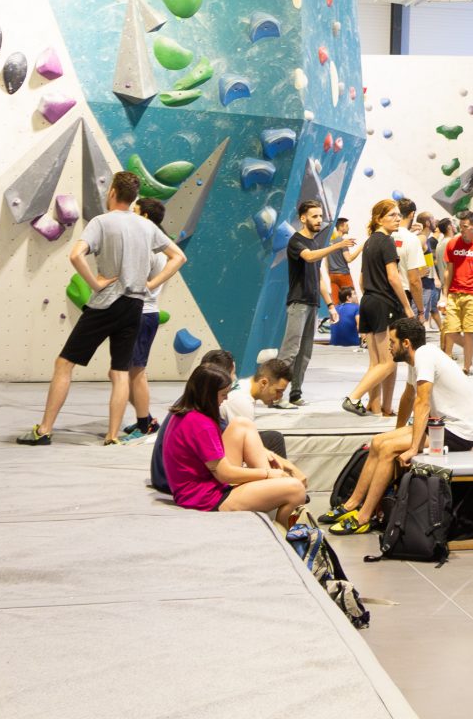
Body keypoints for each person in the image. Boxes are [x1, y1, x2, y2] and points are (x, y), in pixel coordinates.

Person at [17, 171, 184, 447]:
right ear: (134, 198)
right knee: (120, 372)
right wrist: (151, 284)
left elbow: (76, 255)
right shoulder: (147, 227)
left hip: (106, 303)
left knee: (64, 364)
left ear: (113, 193)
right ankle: (112, 435)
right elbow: (178, 257)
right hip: (134, 305)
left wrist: (95, 283)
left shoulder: (101, 222)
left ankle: (44, 430)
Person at [327, 317, 473, 535]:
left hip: (458, 433)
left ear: (406, 343)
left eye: (392, 342)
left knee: (388, 448)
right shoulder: (416, 359)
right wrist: (397, 431)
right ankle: (351, 504)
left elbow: (422, 402)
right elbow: (408, 397)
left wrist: (412, 448)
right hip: (438, 427)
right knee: (378, 441)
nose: (389, 347)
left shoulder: (425, 356)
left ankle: (364, 517)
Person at [158, 353, 308, 520]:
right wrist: (267, 473)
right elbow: (224, 475)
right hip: (205, 498)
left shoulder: (188, 413)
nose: (226, 398)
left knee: (242, 424)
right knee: (296, 489)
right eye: (223, 394)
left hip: (202, 486)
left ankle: (272, 490)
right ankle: (282, 526)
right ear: (208, 394)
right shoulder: (201, 424)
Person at [109, 197, 171, 442]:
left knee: (135, 373)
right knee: (119, 373)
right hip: (138, 313)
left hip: (142, 314)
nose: (129, 214)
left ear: (145, 217)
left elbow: (135, 281)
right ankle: (145, 419)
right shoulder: (155, 244)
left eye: (134, 211)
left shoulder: (152, 248)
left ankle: (145, 424)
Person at [346, 198, 413, 417]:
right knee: (389, 362)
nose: (398, 219)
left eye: (398, 215)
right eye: (392, 215)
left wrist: (371, 296)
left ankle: (380, 407)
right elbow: (394, 277)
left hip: (369, 301)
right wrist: (407, 306)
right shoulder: (386, 242)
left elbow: (362, 279)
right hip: (384, 303)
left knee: (377, 362)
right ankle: (353, 397)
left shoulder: (369, 242)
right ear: (379, 219)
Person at [281, 199, 348, 406]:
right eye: (314, 216)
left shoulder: (315, 243)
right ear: (303, 218)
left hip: (312, 303)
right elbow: (309, 258)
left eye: (320, 216)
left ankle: (295, 394)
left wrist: (330, 305)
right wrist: (337, 246)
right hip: (298, 302)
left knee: (305, 353)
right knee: (290, 351)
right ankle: (275, 394)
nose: (319, 220)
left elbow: (318, 277)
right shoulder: (296, 241)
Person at [440, 214, 473, 373]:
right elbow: (449, 271)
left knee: (469, 332)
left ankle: (466, 368)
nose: (461, 230)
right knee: (450, 330)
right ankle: (469, 347)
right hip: (454, 293)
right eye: (460, 226)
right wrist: (444, 295)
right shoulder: (452, 243)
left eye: (465, 227)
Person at [326, 216, 356, 304]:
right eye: (347, 225)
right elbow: (348, 259)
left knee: (336, 302)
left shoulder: (329, 243)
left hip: (332, 275)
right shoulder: (343, 242)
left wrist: (329, 274)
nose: (348, 227)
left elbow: (326, 261)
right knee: (352, 301)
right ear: (341, 227)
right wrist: (361, 248)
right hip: (343, 274)